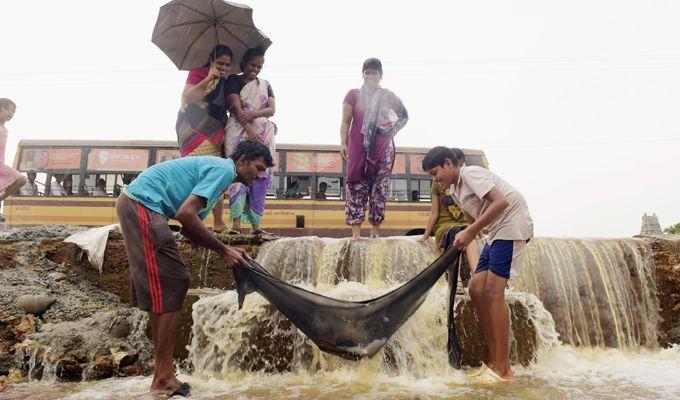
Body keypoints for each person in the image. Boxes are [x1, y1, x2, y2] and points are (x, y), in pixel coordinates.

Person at [115, 139, 273, 397]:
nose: (259, 175)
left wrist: (228, 249)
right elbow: (185, 214)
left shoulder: (217, 177)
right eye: (257, 167)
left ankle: (162, 375)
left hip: (140, 206)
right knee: (175, 281)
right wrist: (223, 250)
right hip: (142, 205)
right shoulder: (224, 170)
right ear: (242, 160)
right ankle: (163, 377)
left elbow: (191, 228)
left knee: (167, 287)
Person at [422, 146, 533, 382]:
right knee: (475, 289)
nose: (435, 179)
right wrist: (468, 233)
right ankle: (494, 361)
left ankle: (504, 367)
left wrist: (470, 232)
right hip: (495, 233)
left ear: (449, 164)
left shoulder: (471, 173)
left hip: (511, 224)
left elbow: (500, 202)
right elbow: (472, 218)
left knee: (493, 291)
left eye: (435, 172)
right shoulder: (454, 189)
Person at [340, 58, 408, 239]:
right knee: (356, 185)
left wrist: (389, 129)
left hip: (383, 148)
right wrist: (343, 143)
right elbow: (346, 121)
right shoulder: (353, 95)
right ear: (362, 74)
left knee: (380, 188)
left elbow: (403, 115)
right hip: (357, 146)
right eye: (367, 72)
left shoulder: (388, 96)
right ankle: (355, 234)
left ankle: (375, 233)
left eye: (374, 72)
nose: (371, 75)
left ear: (381, 75)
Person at [176, 44, 234, 232]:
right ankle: (190, 218)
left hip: (217, 132)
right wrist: (210, 77)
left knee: (218, 174)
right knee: (195, 174)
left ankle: (218, 222)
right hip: (195, 129)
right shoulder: (198, 73)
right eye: (220, 63)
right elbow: (188, 97)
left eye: (227, 64)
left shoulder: (228, 82)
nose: (224, 67)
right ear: (211, 61)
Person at [224, 46, 277, 235]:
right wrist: (248, 128)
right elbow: (235, 107)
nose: (255, 69)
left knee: (259, 174)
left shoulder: (265, 84)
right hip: (238, 130)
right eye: (252, 65)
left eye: (259, 66)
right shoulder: (233, 80)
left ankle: (256, 226)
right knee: (238, 173)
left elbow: (271, 109)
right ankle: (236, 226)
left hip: (262, 132)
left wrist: (254, 114)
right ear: (244, 63)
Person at [419, 148, 479, 294]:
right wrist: (426, 235)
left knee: (467, 234)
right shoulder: (437, 184)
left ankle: (478, 275)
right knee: (454, 233)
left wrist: (476, 228)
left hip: (463, 224)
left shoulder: (463, 182)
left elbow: (470, 209)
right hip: (444, 226)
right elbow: (434, 213)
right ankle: (456, 281)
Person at [0, 98, 28, 202]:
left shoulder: (5, 130)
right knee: (22, 179)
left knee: (21, 180)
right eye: (7, 109)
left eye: (13, 111)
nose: (10, 113)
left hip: (1, 165)